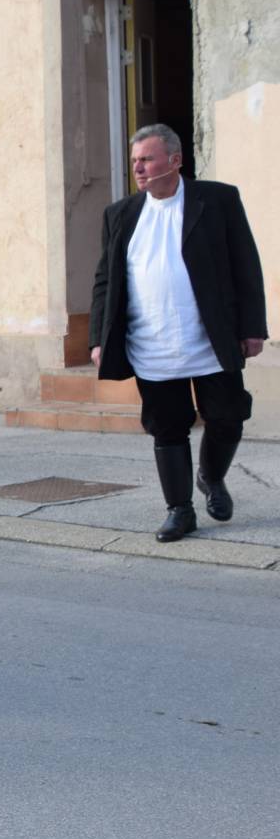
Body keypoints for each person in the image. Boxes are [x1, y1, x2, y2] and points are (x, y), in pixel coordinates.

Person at [89, 123, 266, 542]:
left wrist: (252, 327)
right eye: (135, 160)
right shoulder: (120, 214)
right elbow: (104, 281)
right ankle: (179, 511)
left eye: (147, 159)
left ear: (175, 160)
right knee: (167, 428)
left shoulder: (217, 200)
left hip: (210, 340)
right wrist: (98, 338)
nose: (138, 168)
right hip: (152, 344)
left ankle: (211, 476)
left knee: (228, 417)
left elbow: (245, 264)